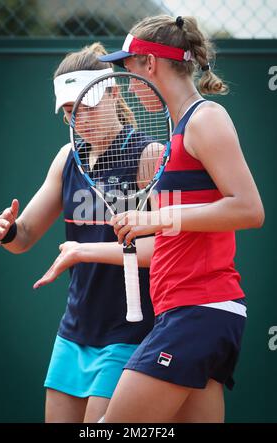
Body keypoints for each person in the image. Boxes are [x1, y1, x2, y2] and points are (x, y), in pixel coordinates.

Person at [93, 15, 264, 423]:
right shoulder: (177, 132)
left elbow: (249, 209)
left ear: (151, 64)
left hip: (199, 309)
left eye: (130, 71)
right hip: (189, 311)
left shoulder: (206, 119)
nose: (130, 86)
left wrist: (158, 218)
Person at [0, 43, 156, 423]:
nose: (78, 119)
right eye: (69, 111)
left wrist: (85, 252)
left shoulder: (149, 155)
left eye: (86, 106)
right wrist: (7, 230)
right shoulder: (67, 158)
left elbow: (162, 248)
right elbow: (25, 235)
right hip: (74, 331)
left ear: (114, 92)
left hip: (129, 332)